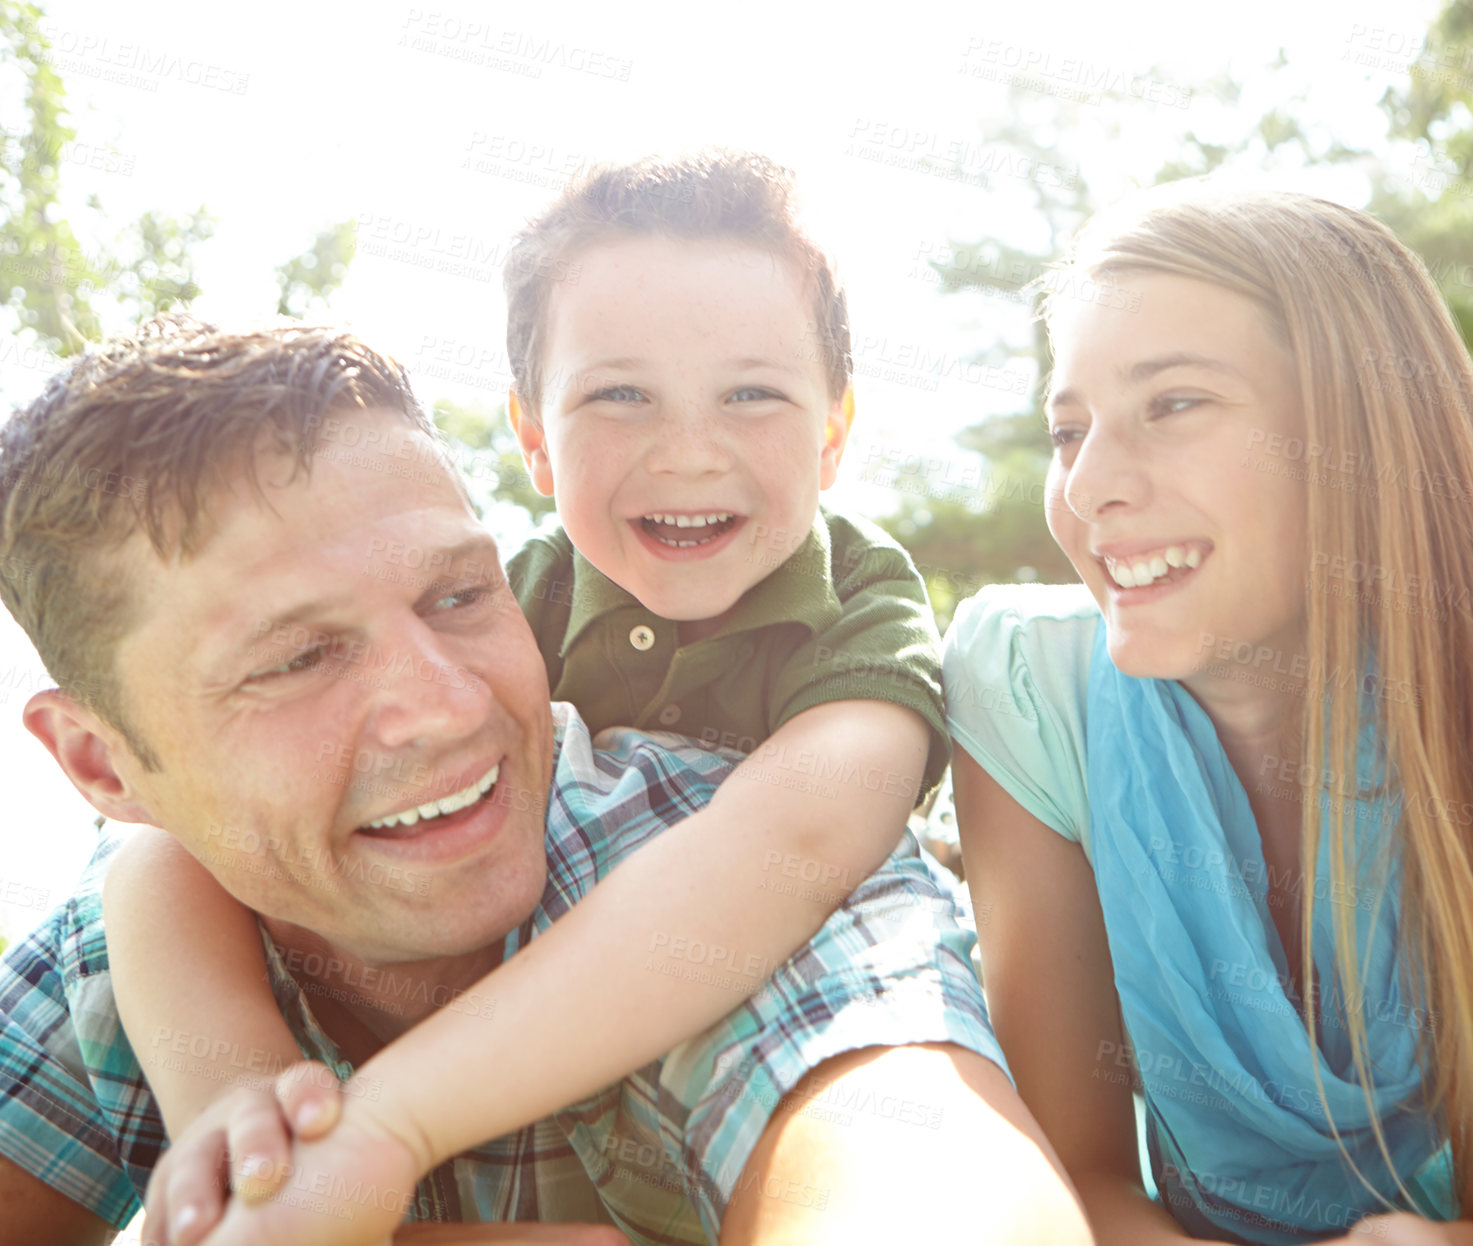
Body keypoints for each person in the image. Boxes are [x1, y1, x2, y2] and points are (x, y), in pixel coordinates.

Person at [0, 319, 1088, 1244]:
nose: (450, 706)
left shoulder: (728, 881)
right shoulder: (132, 950)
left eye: (458, 596)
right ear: (103, 762)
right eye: (297, 659)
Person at [96, 151, 969, 1241]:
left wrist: (390, 1123)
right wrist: (246, 1108)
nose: (689, 450)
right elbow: (151, 852)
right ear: (532, 439)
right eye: (619, 395)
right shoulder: (498, 610)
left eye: (752, 393)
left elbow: (793, 837)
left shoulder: (863, 598)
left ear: (835, 432)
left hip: (796, 1025)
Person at [942, 182, 1473, 1245]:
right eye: (1068, 430)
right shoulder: (1035, 690)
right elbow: (1075, 1183)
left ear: (1360, 432)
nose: (1091, 485)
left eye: (1172, 404)